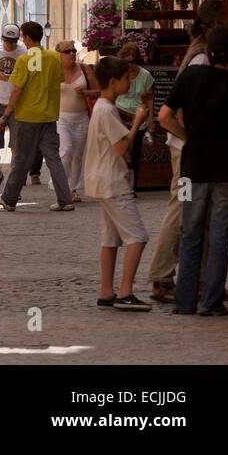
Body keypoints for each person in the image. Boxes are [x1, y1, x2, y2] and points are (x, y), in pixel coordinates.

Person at [148, 0, 228, 303]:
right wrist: (191, 138)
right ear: (217, 23)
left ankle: (202, 282)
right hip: (188, 150)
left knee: (196, 214)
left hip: (191, 149)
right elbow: (179, 111)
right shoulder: (202, 59)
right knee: (182, 210)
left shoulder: (200, 52)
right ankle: (162, 277)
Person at [84, 56, 151, 311]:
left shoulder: (101, 106)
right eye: (126, 79)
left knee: (110, 239)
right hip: (113, 181)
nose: (129, 83)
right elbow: (122, 147)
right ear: (113, 82)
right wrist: (138, 121)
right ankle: (125, 292)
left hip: (102, 180)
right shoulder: (107, 109)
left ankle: (106, 291)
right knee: (138, 237)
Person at [0, 22, 75, 212]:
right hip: (49, 116)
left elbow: (17, 91)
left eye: (23, 37)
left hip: (28, 117)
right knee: (53, 158)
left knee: (22, 160)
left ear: (27, 38)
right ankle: (65, 199)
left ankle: (9, 199)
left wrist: (5, 116)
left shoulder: (24, 60)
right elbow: (59, 80)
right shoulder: (54, 57)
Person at [0, 24, 28, 195]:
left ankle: (13, 184)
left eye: (13, 41)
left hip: (17, 104)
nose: (10, 45)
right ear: (3, 39)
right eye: (8, 41)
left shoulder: (23, 50)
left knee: (16, 147)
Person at [56, 41, 97, 203]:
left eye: (73, 50)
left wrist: (86, 92)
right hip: (61, 117)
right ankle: (62, 186)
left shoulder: (85, 69)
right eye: (67, 51)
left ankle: (73, 189)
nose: (72, 53)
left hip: (81, 117)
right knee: (66, 150)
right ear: (59, 54)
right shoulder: (54, 70)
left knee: (78, 155)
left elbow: (98, 90)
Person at [114, 41, 155, 127]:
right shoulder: (117, 73)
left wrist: (151, 119)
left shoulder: (145, 75)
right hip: (119, 118)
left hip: (138, 120)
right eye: (126, 62)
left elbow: (150, 99)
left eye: (133, 62)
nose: (130, 65)